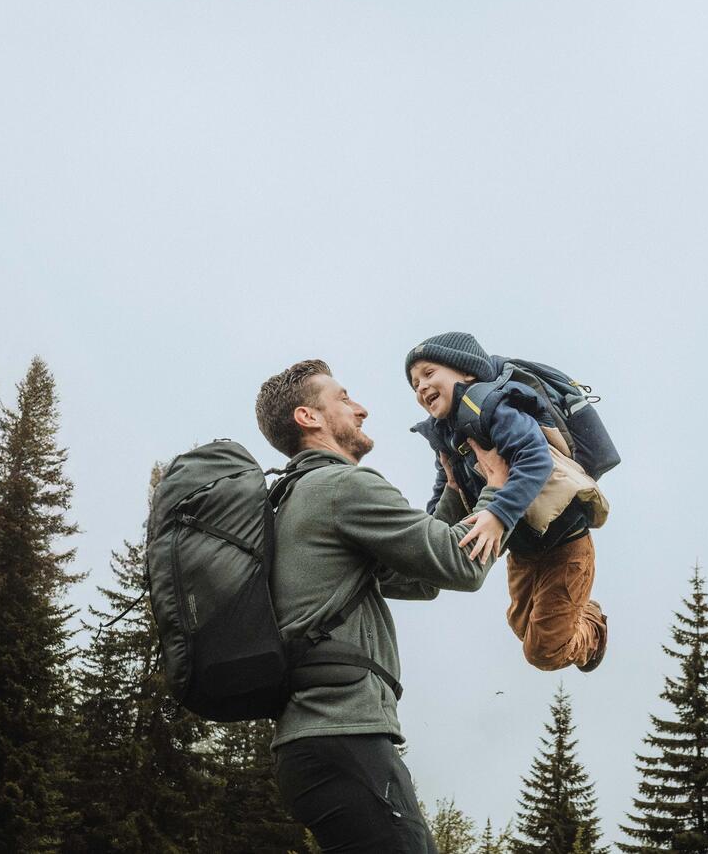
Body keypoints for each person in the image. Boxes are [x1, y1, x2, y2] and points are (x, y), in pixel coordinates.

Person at [254, 358, 509, 854]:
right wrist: (499, 491)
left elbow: (423, 581)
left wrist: (456, 492)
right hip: (343, 735)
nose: (361, 408)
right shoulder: (343, 487)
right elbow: (464, 567)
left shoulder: (293, 500)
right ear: (309, 417)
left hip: (315, 744)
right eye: (344, 398)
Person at [405, 331, 608, 673]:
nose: (421, 387)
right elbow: (446, 484)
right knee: (522, 627)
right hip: (524, 551)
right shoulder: (447, 433)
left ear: (466, 372)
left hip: (566, 544)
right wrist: (430, 530)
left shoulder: (496, 407)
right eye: (413, 384)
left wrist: (497, 514)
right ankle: (570, 618)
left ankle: (593, 628)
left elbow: (534, 459)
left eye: (429, 373)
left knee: (544, 650)